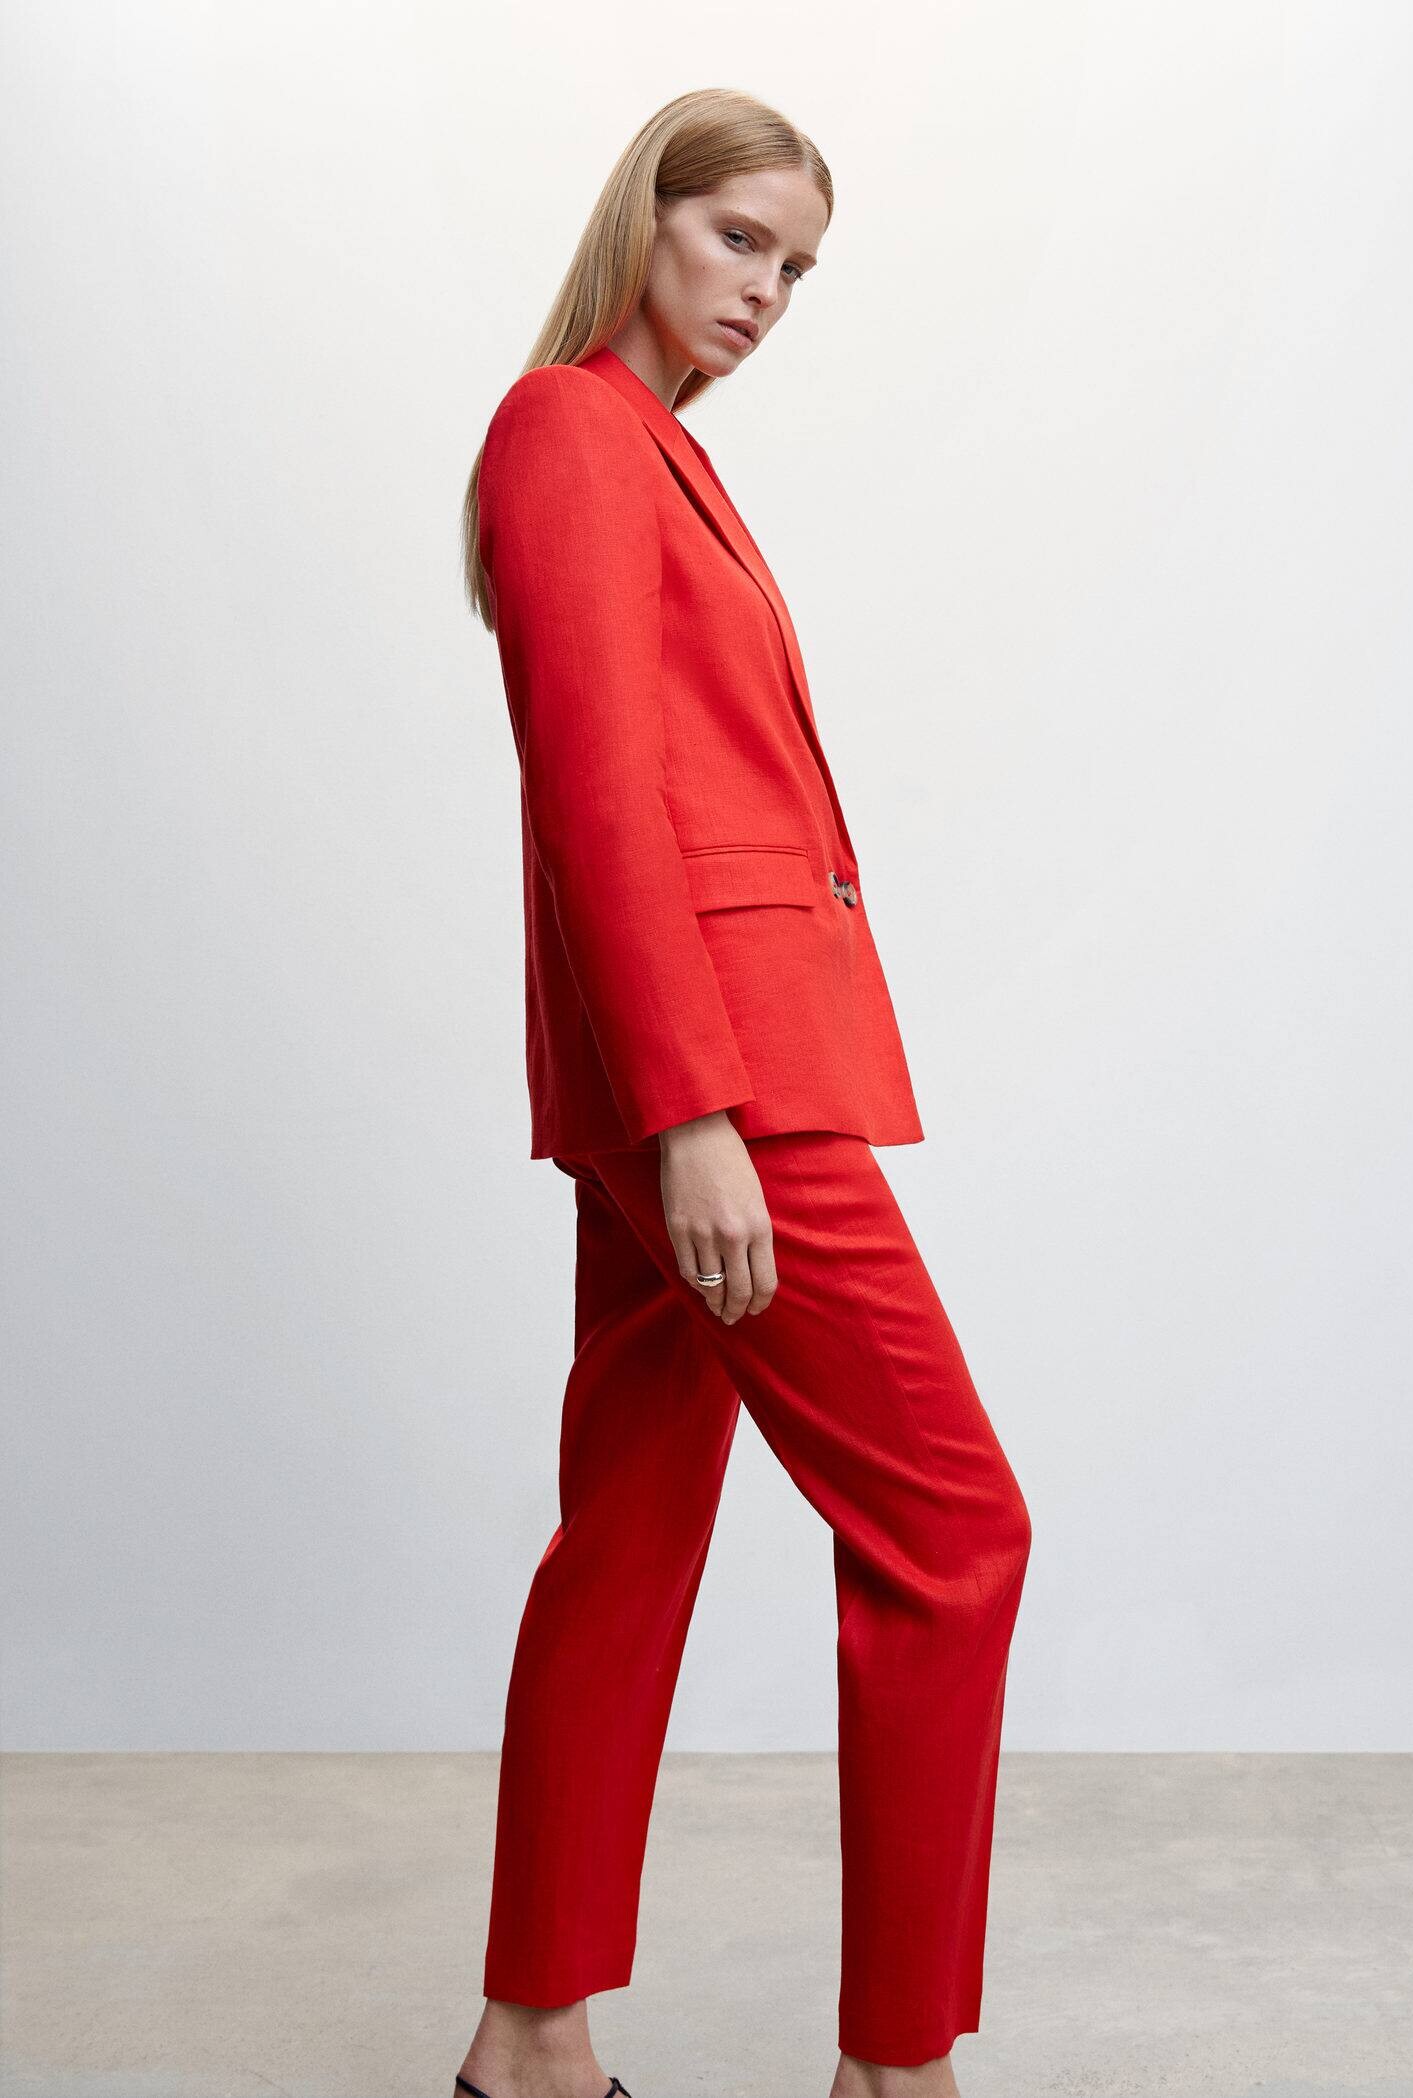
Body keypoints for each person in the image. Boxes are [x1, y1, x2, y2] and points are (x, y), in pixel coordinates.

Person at [453, 86, 1032, 2098]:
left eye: (796, 268)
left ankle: (531, 2038)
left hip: (700, 1065)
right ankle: (900, 2067)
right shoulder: (567, 430)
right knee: (956, 1530)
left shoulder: (657, 452)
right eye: (740, 240)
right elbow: (598, 796)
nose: (768, 292)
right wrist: (693, 1111)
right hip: (720, 1080)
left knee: (625, 1528)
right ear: (649, 216)